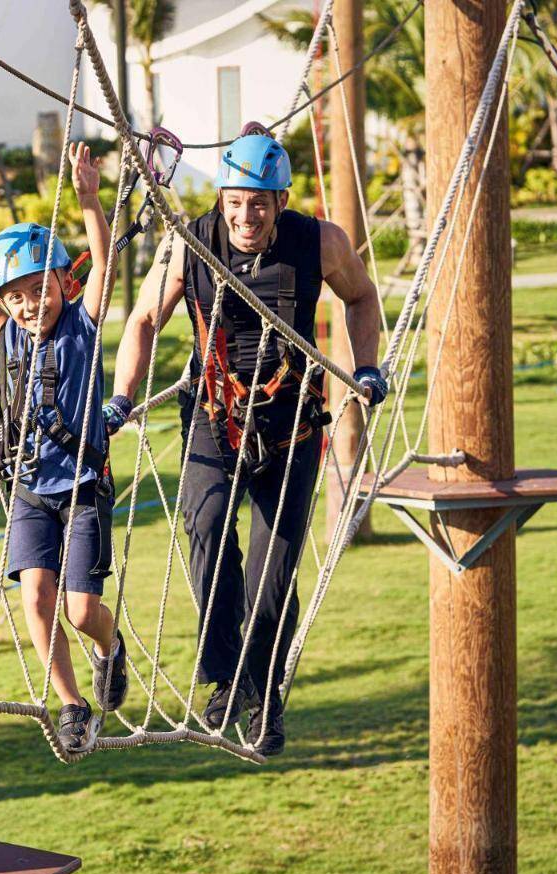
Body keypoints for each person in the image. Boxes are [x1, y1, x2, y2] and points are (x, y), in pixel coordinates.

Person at [103, 128, 388, 756]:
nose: (245, 216)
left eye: (258, 203)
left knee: (272, 574)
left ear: (281, 200)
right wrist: (122, 396)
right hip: (214, 416)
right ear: (222, 199)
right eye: (234, 202)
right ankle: (226, 677)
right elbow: (144, 318)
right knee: (205, 528)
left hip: (292, 427)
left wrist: (366, 365)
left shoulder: (320, 242)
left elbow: (363, 296)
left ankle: (264, 697)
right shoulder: (190, 244)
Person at [0, 142, 128, 753]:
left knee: (81, 610)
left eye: (39, 290)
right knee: (37, 600)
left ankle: (110, 647)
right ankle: (71, 703)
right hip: (28, 490)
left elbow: (104, 265)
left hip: (81, 487)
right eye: (15, 296)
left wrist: (89, 199)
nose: (28, 305)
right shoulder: (10, 334)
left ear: (64, 284)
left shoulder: (81, 324)